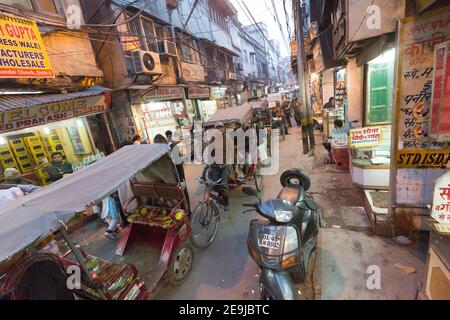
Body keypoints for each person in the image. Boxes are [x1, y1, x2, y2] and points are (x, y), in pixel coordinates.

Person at [154, 134, 191, 214]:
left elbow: (178, 162)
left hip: (178, 175)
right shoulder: (163, 149)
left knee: (183, 194)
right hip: (169, 177)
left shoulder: (173, 146)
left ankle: (188, 212)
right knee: (176, 196)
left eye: (158, 144)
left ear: (162, 141)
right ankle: (181, 211)